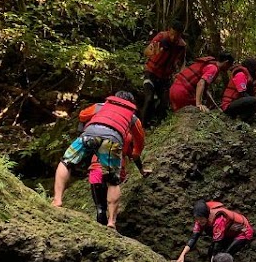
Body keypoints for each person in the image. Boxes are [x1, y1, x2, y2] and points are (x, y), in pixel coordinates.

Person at [52, 92, 149, 230]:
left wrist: (81, 132)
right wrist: (137, 156)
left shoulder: (100, 106)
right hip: (112, 140)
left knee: (66, 162)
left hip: (90, 134)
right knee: (112, 181)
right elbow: (139, 141)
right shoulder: (133, 118)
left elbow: (82, 115)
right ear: (131, 104)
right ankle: (111, 222)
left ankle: (57, 200)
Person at [177, 200, 255, 262]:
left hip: (242, 232)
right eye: (197, 219)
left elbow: (217, 244)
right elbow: (194, 237)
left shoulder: (219, 219)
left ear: (207, 216)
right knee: (211, 251)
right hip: (228, 233)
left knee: (224, 256)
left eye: (201, 219)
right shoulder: (199, 221)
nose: (200, 221)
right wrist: (182, 255)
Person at [142, 21, 187, 124]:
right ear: (169, 30)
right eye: (171, 34)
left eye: (176, 36)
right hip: (151, 73)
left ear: (180, 35)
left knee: (164, 103)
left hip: (165, 77)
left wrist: (180, 73)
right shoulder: (161, 37)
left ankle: (158, 126)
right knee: (149, 99)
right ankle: (143, 126)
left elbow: (182, 62)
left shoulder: (181, 46)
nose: (173, 37)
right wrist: (152, 52)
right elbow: (146, 51)